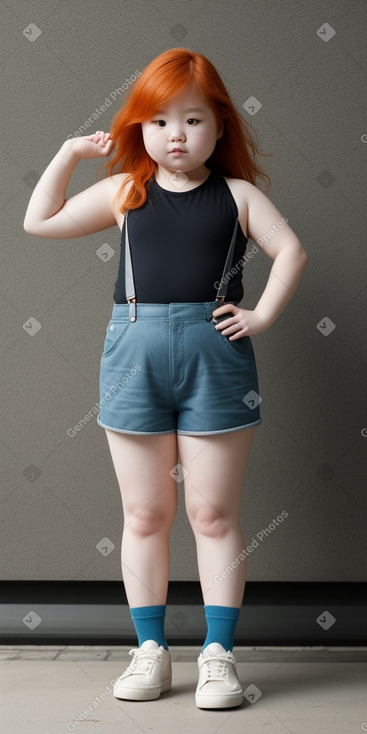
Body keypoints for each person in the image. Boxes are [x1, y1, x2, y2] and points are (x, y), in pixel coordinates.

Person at [24, 47, 308, 710]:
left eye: (192, 119)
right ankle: (150, 651)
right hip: (133, 353)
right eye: (157, 120)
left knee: (212, 513)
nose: (174, 133)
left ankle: (217, 655)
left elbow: (290, 249)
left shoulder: (237, 195)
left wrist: (261, 314)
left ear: (219, 127)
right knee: (146, 512)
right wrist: (68, 154)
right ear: (138, 130)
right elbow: (38, 221)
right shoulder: (127, 190)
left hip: (216, 359)